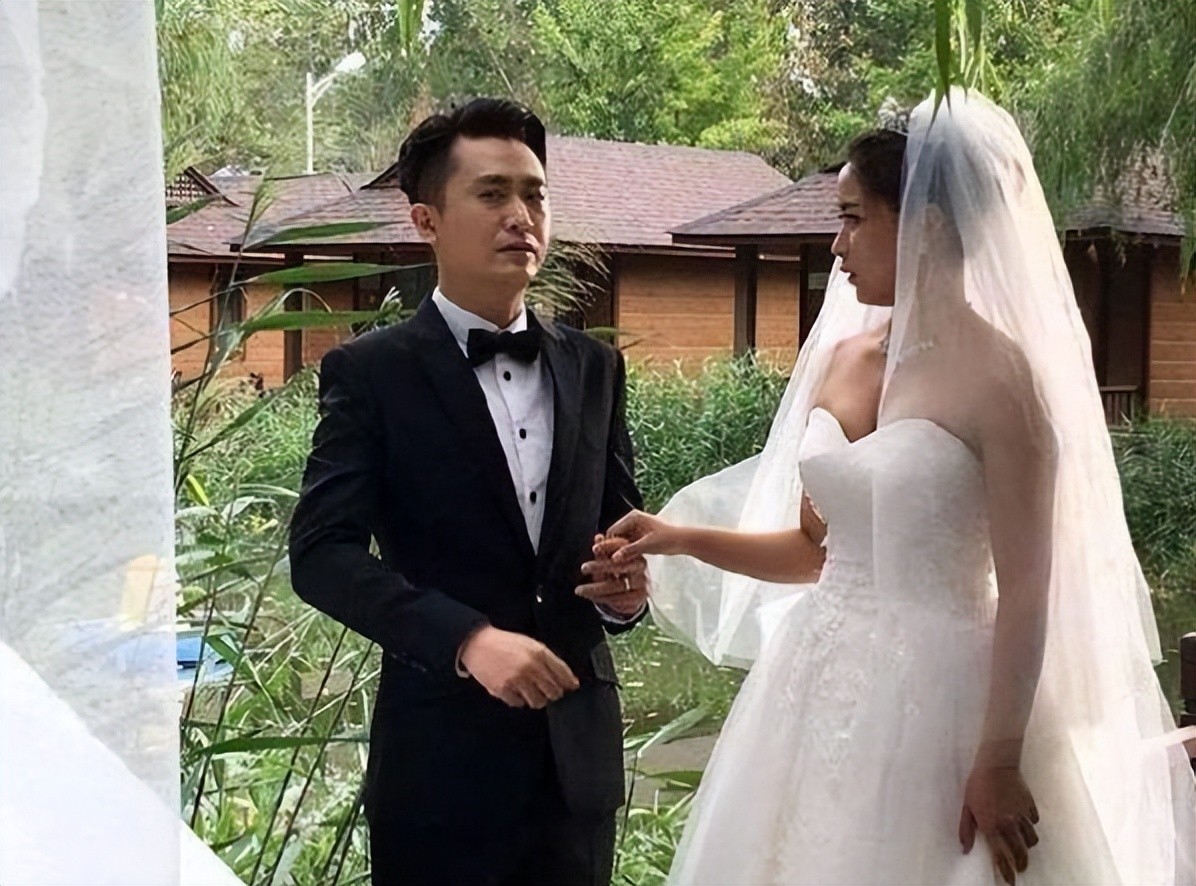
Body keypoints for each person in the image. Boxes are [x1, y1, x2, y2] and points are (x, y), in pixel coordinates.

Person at [583, 90, 1195, 884]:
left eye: (853, 218)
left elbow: (1029, 592)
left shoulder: (1002, 381)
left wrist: (999, 757)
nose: (836, 244)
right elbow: (816, 553)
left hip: (943, 703)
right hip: (816, 680)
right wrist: (679, 537)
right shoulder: (842, 360)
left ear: (926, 226)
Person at [288, 98, 650, 886]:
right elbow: (320, 555)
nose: (521, 215)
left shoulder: (595, 367)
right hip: (439, 770)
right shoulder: (370, 373)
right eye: (492, 194)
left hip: (576, 765)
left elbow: (618, 532)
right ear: (427, 220)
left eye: (535, 194)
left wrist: (625, 596)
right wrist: (466, 640)